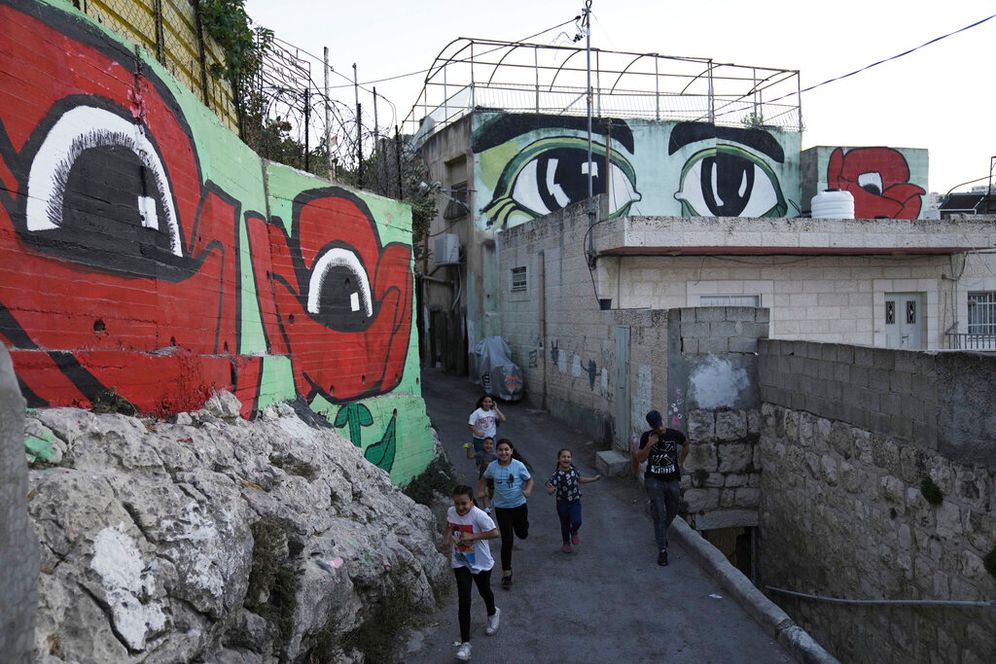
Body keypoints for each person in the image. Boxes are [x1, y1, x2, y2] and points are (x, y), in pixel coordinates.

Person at [442, 485, 502, 661]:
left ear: (471, 502)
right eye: (457, 503)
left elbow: (495, 533)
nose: (460, 508)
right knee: (464, 600)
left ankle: (493, 612)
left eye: (464, 504)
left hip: (481, 563)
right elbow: (449, 521)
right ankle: (465, 644)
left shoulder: (479, 515)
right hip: (461, 562)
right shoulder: (452, 511)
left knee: (484, 592)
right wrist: (446, 537)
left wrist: (472, 537)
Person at [635, 409, 689, 567]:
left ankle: (662, 532)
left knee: (673, 509)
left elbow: (686, 444)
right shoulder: (647, 436)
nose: (660, 429)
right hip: (654, 480)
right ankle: (662, 551)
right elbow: (640, 458)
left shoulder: (674, 434)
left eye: (660, 425)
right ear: (652, 426)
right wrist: (650, 445)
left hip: (672, 480)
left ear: (662, 421)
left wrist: (680, 462)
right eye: (656, 427)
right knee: (659, 513)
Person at [479, 438, 532, 588]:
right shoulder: (492, 467)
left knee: (522, 534)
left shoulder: (518, 466)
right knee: (507, 541)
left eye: (506, 449)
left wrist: (527, 490)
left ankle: (523, 526)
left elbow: (529, 480)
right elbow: (484, 478)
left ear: (511, 451)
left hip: (519, 506)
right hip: (502, 508)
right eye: (500, 450)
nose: (503, 452)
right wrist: (482, 490)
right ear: (497, 452)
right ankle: (506, 574)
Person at [545, 448, 601, 553]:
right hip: (562, 504)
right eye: (563, 457)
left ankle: (574, 531)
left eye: (568, 457)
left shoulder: (573, 471)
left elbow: (580, 479)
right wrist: (551, 490)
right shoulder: (556, 475)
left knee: (577, 521)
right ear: (558, 460)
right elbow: (550, 489)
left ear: (571, 459)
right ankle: (566, 543)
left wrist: (593, 479)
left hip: (575, 501)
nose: (566, 459)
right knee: (565, 524)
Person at [474, 437, 498, 512]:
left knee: (491, 492)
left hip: (492, 477)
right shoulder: (480, 453)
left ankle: (489, 502)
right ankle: (486, 507)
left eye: (490, 444)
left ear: (493, 445)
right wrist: (468, 449)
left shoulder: (494, 456)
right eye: (486, 443)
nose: (488, 445)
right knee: (485, 491)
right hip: (483, 476)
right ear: (483, 444)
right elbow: (470, 456)